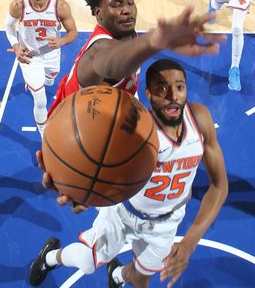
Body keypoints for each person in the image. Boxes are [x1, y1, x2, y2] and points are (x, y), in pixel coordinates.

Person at [28, 59, 228, 288]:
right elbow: (97, 164)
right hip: (124, 213)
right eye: (162, 88)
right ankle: (50, 257)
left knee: (140, 280)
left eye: (180, 87)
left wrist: (189, 243)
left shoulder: (199, 120)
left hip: (167, 222)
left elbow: (220, 186)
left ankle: (116, 276)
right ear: (148, 94)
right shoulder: (132, 130)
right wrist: (80, 191)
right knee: (86, 261)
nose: (173, 95)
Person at [47, 0, 223, 117]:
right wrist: (154, 40)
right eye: (117, 5)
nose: (127, 9)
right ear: (98, 13)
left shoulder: (127, 35)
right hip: (73, 125)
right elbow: (112, 64)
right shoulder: (100, 48)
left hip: (101, 111)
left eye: (130, 2)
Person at [5, 0, 78, 136]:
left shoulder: (60, 6)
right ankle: (45, 135)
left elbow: (73, 32)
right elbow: (8, 26)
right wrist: (16, 46)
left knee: (50, 81)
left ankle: (39, 82)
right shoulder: (18, 5)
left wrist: (61, 41)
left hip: (51, 55)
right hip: (29, 58)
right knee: (40, 99)